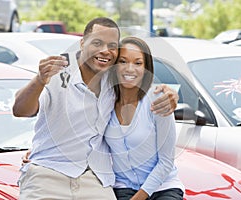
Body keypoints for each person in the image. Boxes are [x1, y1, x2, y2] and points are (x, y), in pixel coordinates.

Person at [13, 17, 179, 200]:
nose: (104, 51)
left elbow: (139, 77)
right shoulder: (59, 73)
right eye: (97, 43)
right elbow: (20, 110)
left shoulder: (114, 79)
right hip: (48, 173)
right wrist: (39, 80)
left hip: (94, 178)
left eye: (111, 46)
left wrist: (171, 94)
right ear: (82, 43)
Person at [104, 37, 184, 200]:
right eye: (123, 61)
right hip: (123, 186)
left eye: (138, 63)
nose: (130, 69)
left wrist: (139, 197)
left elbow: (166, 162)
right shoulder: (104, 101)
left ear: (147, 68)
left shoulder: (159, 100)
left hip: (163, 187)